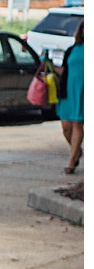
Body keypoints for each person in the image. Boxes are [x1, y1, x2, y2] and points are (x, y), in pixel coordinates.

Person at [58, 22, 82, 175]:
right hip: (69, 91)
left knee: (77, 124)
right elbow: (64, 70)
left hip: (84, 92)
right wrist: (48, 65)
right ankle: (77, 150)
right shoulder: (72, 49)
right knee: (66, 127)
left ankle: (71, 161)